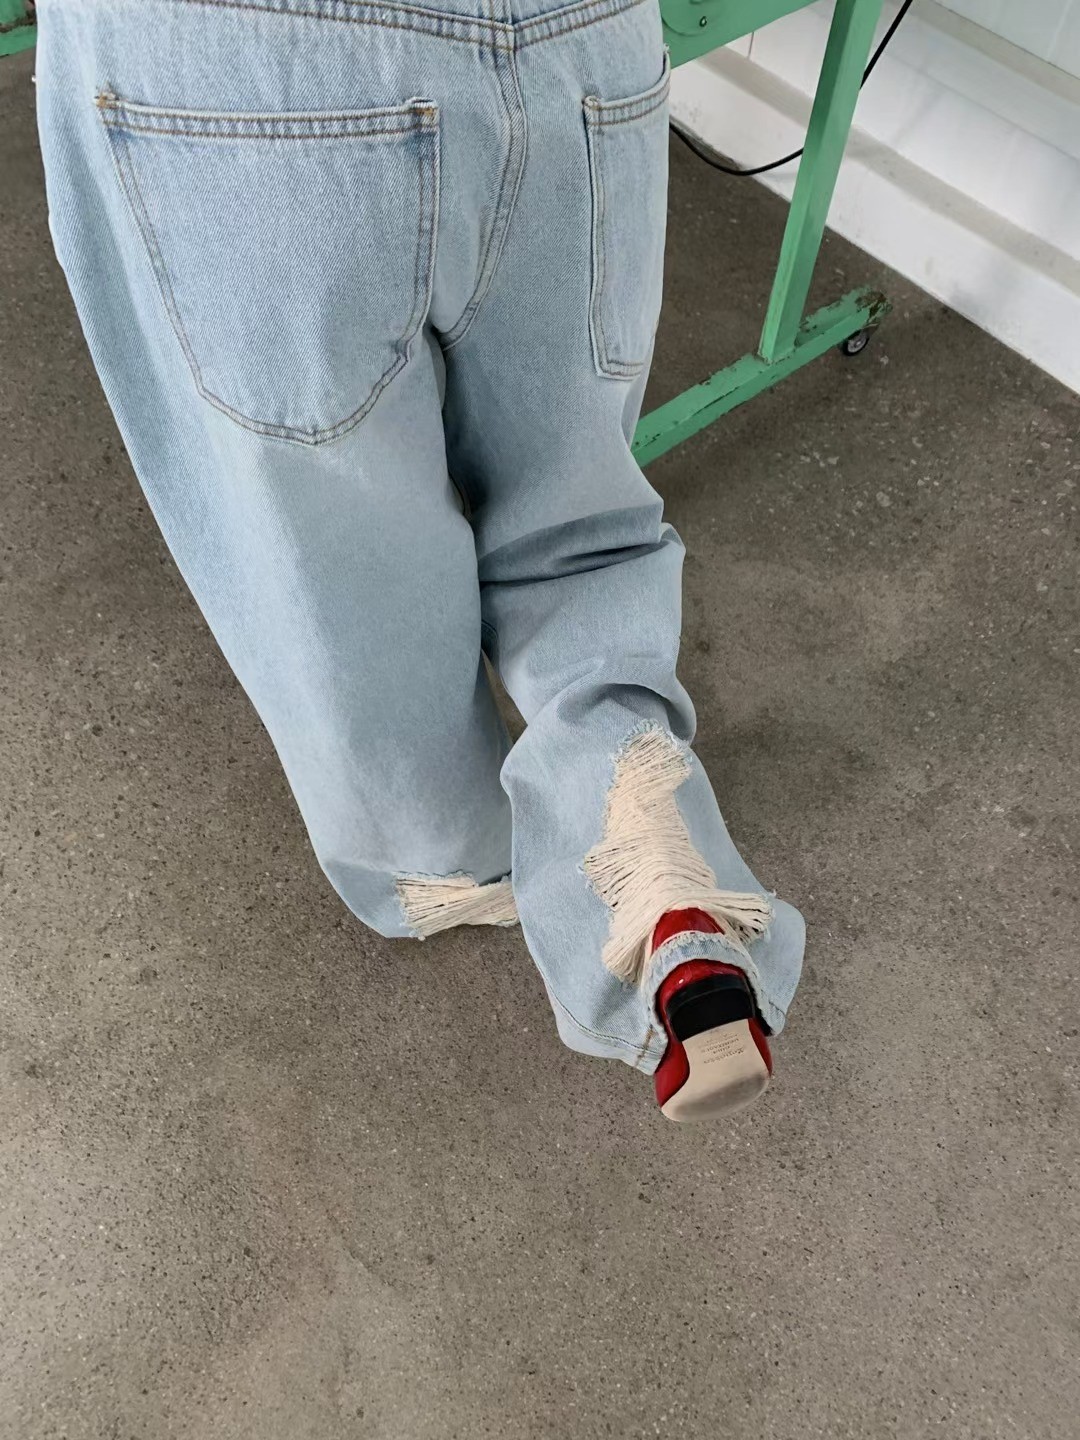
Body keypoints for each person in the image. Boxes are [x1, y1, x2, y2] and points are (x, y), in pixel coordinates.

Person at [34, 0, 804, 1120]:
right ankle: (649, 855)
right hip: (579, 39)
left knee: (339, 567)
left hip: (238, 72)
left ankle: (450, 862)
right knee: (578, 513)